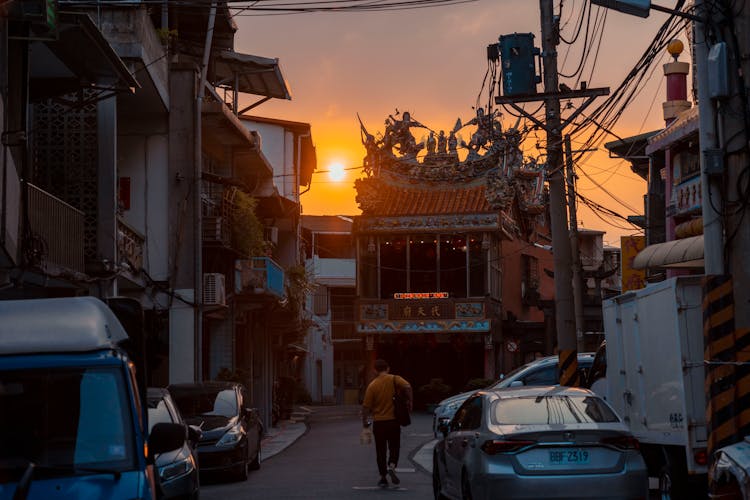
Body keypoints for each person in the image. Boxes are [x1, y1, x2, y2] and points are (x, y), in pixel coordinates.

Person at [361, 359, 412, 488]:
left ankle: (383, 477)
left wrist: (365, 423)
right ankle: (392, 465)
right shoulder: (395, 379)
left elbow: (366, 407)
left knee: (380, 450)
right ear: (387, 368)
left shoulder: (372, 385)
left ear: (375, 370)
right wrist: (410, 402)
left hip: (379, 423)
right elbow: (408, 387)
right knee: (394, 446)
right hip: (394, 422)